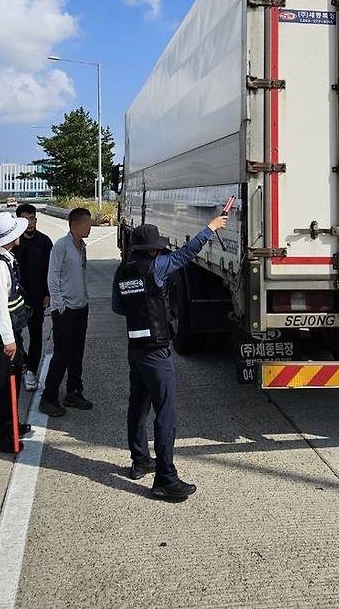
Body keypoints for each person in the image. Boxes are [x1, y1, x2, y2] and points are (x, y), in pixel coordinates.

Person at [112, 214, 228, 502]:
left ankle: (140, 461)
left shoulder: (122, 270)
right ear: (151, 248)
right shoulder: (157, 268)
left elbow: (118, 306)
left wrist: (140, 309)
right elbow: (187, 254)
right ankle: (165, 478)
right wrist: (210, 228)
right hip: (156, 350)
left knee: (137, 405)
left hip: (135, 349)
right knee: (165, 413)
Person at [0, 212, 33, 453]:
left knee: (14, 379)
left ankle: (11, 424)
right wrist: (8, 341)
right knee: (1, 385)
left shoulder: (5, 258)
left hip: (9, 332)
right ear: (12, 237)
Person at [39, 207, 94, 417]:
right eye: (87, 224)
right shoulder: (61, 246)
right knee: (62, 355)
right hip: (65, 310)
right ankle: (49, 398)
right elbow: (52, 277)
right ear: (74, 225)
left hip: (81, 307)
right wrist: (59, 305)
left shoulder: (82, 246)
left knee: (77, 354)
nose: (89, 227)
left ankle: (74, 392)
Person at [14, 203, 53, 391]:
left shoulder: (45, 242)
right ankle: (23, 365)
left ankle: (31, 371)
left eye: (32, 218)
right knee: (16, 337)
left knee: (36, 336)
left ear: (36, 220)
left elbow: (50, 271)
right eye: (25, 219)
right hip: (17, 301)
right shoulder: (13, 242)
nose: (29, 223)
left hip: (38, 298)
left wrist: (48, 293)